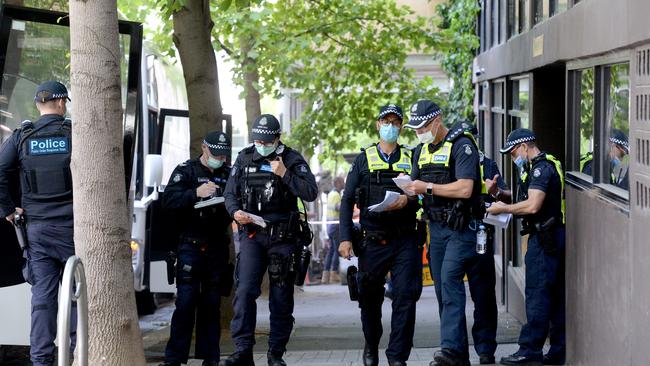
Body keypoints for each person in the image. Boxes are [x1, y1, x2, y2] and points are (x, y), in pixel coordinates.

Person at [221, 114, 318, 366]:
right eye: (257, 140)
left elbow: (310, 192)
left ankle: (276, 353)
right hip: (253, 234)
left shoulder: (292, 159)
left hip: (283, 238)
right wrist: (235, 213)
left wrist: (285, 173)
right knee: (244, 291)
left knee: (281, 296)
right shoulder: (244, 158)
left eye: (266, 141)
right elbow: (230, 194)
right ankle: (243, 350)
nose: (261, 145)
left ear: (277, 138)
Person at [403, 100, 492, 366]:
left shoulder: (462, 144)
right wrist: (405, 192)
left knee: (451, 280)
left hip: (463, 227)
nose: (419, 132)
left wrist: (426, 188)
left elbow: (465, 188)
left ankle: (452, 350)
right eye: (416, 128)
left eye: (423, 127)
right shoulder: (420, 151)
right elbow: (414, 186)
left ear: (437, 121)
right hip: (437, 228)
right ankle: (458, 355)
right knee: (442, 288)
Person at [338, 105, 422, 366]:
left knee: (406, 297)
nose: (391, 126)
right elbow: (346, 200)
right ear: (378, 125)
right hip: (372, 240)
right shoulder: (363, 159)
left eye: (396, 122)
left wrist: (407, 203)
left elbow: (422, 196)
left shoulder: (411, 157)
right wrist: (345, 238)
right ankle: (371, 343)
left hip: (405, 239)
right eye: (387, 121)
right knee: (370, 299)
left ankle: (397, 356)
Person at [0, 81, 75, 366]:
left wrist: (8, 209)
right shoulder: (72, 134)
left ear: (38, 104)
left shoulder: (22, 136)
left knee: (42, 297)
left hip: (37, 231)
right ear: (60, 103)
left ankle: (41, 359)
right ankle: (76, 353)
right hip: (71, 229)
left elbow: (0, 171)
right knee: (78, 292)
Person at [487, 128, 566, 366]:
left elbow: (532, 206)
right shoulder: (534, 168)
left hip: (546, 239)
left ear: (524, 147)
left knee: (538, 295)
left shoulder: (542, 168)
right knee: (553, 297)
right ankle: (557, 352)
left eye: (513, 153)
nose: (513, 157)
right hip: (549, 236)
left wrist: (502, 209)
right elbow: (525, 197)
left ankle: (529, 351)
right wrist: (501, 194)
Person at [159, 131, 234, 366]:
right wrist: (195, 194)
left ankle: (210, 358)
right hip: (190, 245)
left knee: (212, 305)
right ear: (204, 148)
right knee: (186, 303)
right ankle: (174, 359)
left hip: (217, 247)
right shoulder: (186, 171)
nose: (219, 160)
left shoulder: (229, 173)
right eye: (215, 155)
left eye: (223, 156)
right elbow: (168, 201)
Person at [323, 176, 344, 284]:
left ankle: (325, 275)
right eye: (342, 182)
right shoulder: (336, 195)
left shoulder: (330, 194)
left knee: (331, 250)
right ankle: (334, 274)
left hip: (329, 225)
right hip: (336, 226)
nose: (344, 184)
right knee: (336, 250)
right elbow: (338, 208)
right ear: (338, 183)